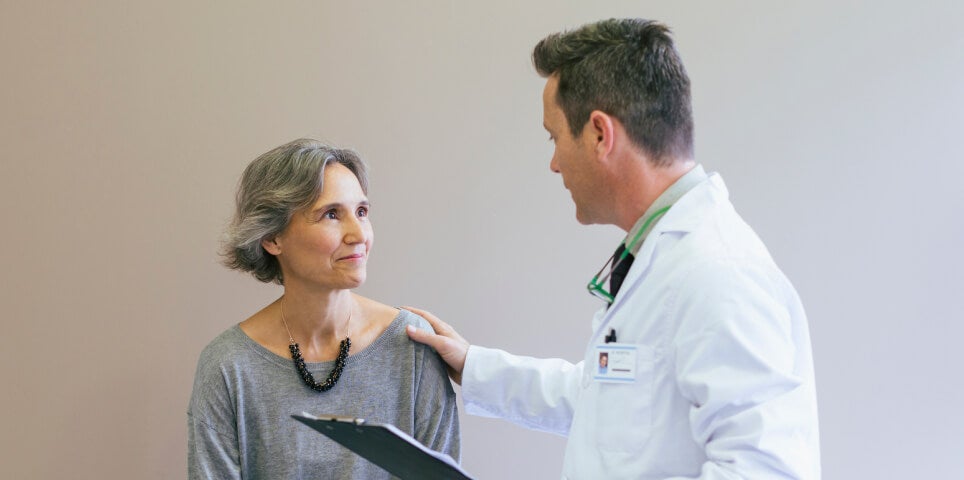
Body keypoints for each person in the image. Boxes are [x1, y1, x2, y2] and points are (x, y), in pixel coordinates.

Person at [406, 18, 820, 479]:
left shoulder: (718, 272)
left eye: (555, 136)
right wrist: (476, 366)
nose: (554, 163)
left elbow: (767, 470)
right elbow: (608, 398)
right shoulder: (666, 256)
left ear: (601, 134)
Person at [188, 139, 460, 479]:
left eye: (362, 212)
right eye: (331, 214)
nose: (358, 233)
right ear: (272, 238)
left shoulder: (413, 346)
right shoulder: (228, 365)